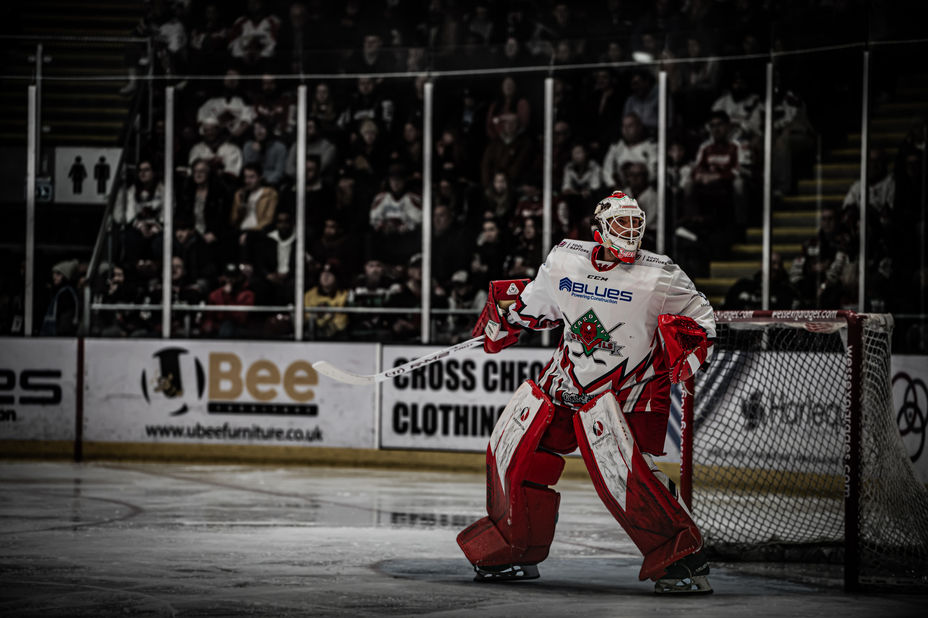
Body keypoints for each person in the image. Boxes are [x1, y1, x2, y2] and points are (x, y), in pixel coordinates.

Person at [457, 190, 716, 595]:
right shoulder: (565, 258)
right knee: (510, 451)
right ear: (599, 230)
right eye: (621, 224)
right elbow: (533, 306)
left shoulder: (660, 273)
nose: (630, 233)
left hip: (623, 391)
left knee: (621, 475)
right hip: (565, 382)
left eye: (636, 225)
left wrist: (691, 347)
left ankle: (680, 556)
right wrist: (504, 317)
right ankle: (513, 546)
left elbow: (703, 317)